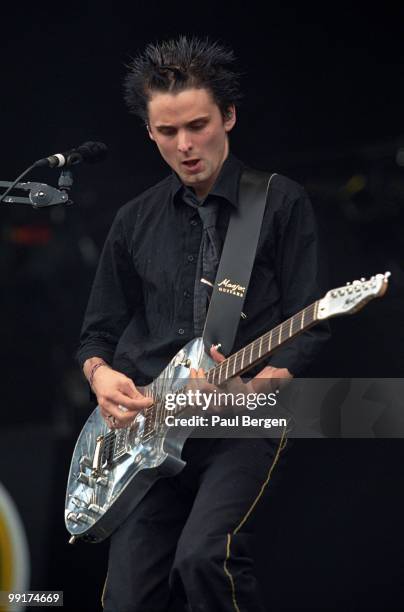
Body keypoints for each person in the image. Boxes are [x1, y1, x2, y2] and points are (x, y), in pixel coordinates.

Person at [77, 35, 330, 612]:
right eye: (168, 132)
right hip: (145, 435)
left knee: (205, 558)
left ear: (229, 116)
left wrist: (255, 389)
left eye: (199, 125)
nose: (186, 145)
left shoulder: (278, 202)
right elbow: (97, 333)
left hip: (240, 426)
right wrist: (100, 376)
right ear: (148, 132)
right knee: (126, 599)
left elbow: (311, 322)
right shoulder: (133, 220)